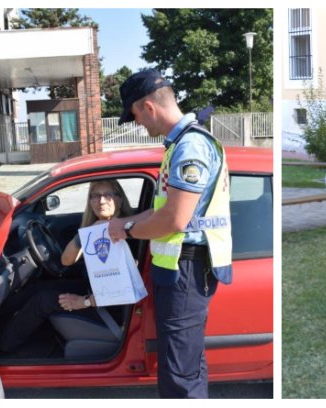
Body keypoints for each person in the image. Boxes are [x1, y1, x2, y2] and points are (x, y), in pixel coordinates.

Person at [107, 69, 232, 398]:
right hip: (180, 270)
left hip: (187, 271)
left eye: (134, 116)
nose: (137, 125)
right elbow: (164, 210)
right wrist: (125, 224)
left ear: (149, 107)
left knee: (180, 377)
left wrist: (129, 229)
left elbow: (175, 220)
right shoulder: (179, 144)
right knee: (186, 366)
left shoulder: (190, 147)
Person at [0, 180, 134, 353]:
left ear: (120, 199)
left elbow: (120, 291)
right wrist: (86, 234)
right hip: (94, 289)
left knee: (43, 301)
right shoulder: (98, 230)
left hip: (109, 311)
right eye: (95, 196)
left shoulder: (121, 234)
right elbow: (66, 260)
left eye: (108, 195)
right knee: (37, 288)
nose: (101, 201)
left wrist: (82, 301)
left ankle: (0, 348)